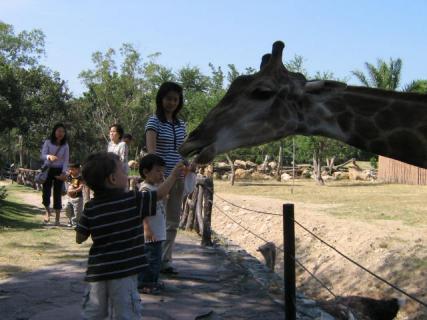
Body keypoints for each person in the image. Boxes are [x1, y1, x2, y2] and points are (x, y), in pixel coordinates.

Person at [75, 152, 183, 319]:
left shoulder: (90, 208)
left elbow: (79, 237)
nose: (127, 175)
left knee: (93, 313)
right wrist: (175, 174)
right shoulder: (132, 200)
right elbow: (160, 194)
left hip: (97, 271)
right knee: (126, 314)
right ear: (112, 179)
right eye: (123, 172)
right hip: (124, 272)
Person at [145, 81, 186, 274]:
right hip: (160, 179)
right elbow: (152, 152)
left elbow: (183, 151)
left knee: (172, 220)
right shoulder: (154, 122)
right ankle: (152, 258)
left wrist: (188, 165)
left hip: (178, 176)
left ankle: (166, 260)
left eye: (175, 99)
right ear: (161, 99)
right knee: (156, 219)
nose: (172, 103)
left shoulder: (181, 125)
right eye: (168, 98)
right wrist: (159, 177)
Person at [137, 154, 169, 294]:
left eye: (163, 171)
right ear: (145, 172)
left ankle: (152, 281)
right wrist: (146, 229)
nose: (161, 174)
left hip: (158, 231)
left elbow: (165, 198)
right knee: (150, 259)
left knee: (155, 259)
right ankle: (146, 284)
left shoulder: (155, 188)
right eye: (157, 171)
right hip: (150, 233)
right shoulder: (145, 189)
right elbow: (141, 211)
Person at [40, 123, 69, 225]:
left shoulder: (65, 145)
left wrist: (64, 173)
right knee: (46, 193)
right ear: (54, 132)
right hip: (48, 170)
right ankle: (47, 212)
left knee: (57, 194)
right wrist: (49, 157)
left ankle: (57, 219)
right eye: (58, 131)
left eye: (63, 131)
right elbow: (42, 155)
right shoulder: (48, 142)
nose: (60, 133)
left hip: (59, 171)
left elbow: (66, 161)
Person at [64, 162, 84, 227]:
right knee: (67, 208)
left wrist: (73, 191)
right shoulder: (69, 176)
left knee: (77, 212)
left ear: (78, 169)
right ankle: (69, 220)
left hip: (77, 198)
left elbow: (81, 187)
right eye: (70, 169)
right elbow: (66, 182)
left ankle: (75, 222)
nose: (70, 171)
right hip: (69, 197)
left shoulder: (80, 177)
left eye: (72, 169)